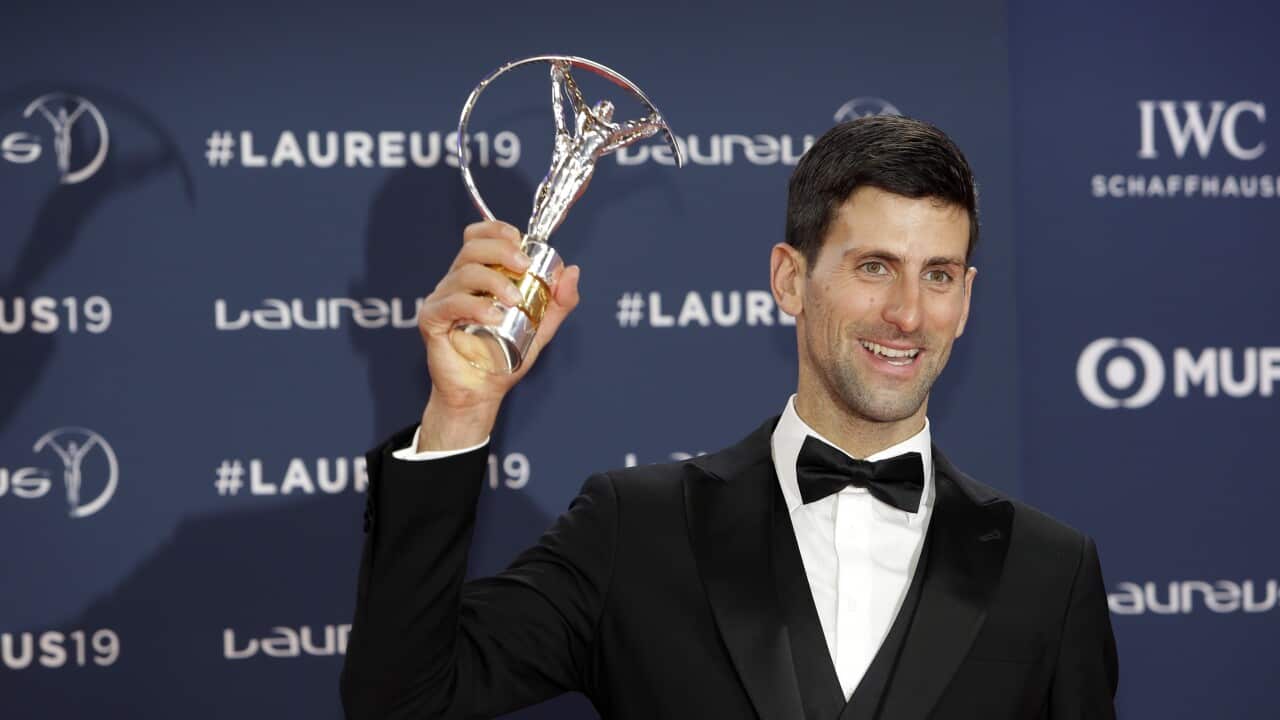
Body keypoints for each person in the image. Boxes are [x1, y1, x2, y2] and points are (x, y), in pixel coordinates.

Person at [340, 116, 1119, 720]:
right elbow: (402, 700)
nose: (908, 313)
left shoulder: (1049, 572)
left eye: (938, 275)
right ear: (789, 280)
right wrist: (460, 410)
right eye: (875, 266)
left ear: (966, 299)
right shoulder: (634, 531)